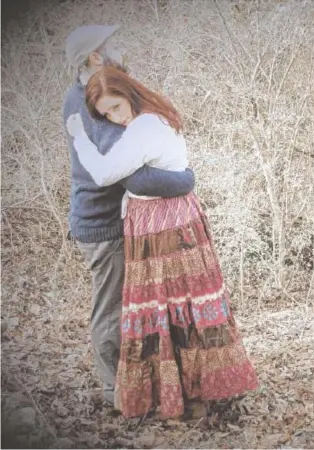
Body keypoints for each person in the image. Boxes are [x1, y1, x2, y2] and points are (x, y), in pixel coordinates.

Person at [65, 67, 259, 419]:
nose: (115, 119)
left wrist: (79, 135)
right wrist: (184, 180)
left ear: (129, 94)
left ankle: (189, 393)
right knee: (180, 305)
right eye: (107, 114)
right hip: (170, 220)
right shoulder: (153, 117)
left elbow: (108, 173)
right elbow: (151, 177)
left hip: (163, 225)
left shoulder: (144, 126)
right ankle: (193, 392)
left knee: (172, 308)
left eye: (116, 108)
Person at [63, 25, 196, 408]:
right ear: (95, 57)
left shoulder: (101, 90)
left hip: (120, 219)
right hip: (101, 224)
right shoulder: (86, 102)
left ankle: (144, 387)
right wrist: (184, 179)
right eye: (111, 45)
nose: (120, 48)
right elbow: (132, 174)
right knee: (113, 309)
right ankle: (115, 392)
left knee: (135, 305)